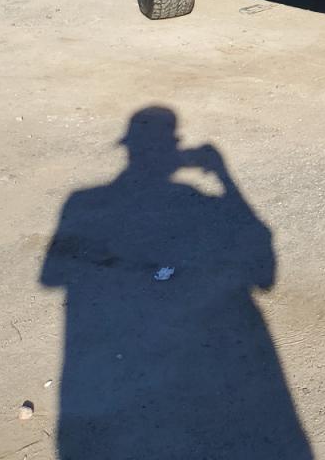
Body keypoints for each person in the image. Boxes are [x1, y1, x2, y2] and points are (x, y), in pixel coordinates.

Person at [40, 106, 311, 458]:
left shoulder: (82, 202)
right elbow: (263, 271)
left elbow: (51, 276)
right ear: (175, 148)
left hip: (113, 375)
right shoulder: (195, 201)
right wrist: (225, 176)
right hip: (209, 369)